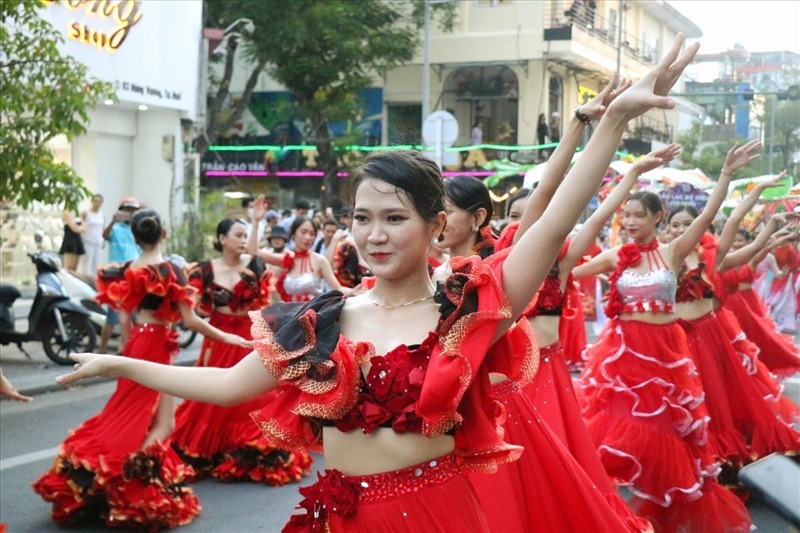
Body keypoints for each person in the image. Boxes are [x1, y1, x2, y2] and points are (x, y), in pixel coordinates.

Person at [56, 34, 702, 531]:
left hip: (438, 511)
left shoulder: (467, 306)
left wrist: (612, 125)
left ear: (434, 224)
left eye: (395, 218)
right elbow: (228, 384)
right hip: (338, 513)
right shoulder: (320, 319)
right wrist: (118, 362)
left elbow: (553, 216)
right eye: (363, 217)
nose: (375, 234)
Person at [34, 209, 251, 529]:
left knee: (127, 412)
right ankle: (130, 482)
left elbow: (124, 317)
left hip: (138, 342)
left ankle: (117, 476)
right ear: (164, 233)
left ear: (135, 238)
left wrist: (123, 354)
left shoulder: (130, 268)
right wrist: (227, 335)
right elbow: (190, 321)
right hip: (157, 346)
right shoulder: (170, 270)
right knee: (163, 422)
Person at [572, 177, 753, 530]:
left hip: (665, 349)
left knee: (666, 428)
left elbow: (708, 216)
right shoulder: (614, 256)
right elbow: (566, 273)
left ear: (659, 216)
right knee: (617, 425)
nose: (631, 222)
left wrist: (728, 175)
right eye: (627, 215)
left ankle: (658, 501)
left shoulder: (672, 252)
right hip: (624, 351)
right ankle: (601, 505)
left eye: (640, 214)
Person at [665, 159, 800, 476]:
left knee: (714, 399)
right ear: (665, 227)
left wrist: (761, 199)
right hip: (674, 340)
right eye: (675, 225)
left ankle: (716, 456)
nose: (681, 230)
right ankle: (683, 456)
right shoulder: (661, 255)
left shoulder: (710, 257)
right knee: (679, 401)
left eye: (687, 225)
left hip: (707, 335)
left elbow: (742, 230)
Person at [170, 218, 313, 484]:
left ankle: (246, 444)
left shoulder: (256, 266)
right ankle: (215, 447)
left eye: (246, 235)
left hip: (250, 339)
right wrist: (222, 334)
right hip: (220, 340)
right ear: (222, 238)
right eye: (238, 234)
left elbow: (269, 305)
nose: (243, 240)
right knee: (213, 393)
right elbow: (189, 314)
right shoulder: (203, 271)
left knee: (256, 394)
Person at [248, 202, 349, 302]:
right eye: (303, 232)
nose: (308, 237)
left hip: (313, 315)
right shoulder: (286, 259)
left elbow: (338, 288)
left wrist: (354, 291)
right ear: (293, 234)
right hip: (288, 314)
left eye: (312, 233)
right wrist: (256, 222)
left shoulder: (320, 260)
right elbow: (254, 251)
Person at [99, 197, 141, 353]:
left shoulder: (137, 229)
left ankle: (126, 348)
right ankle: (102, 349)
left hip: (134, 274)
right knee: (112, 315)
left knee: (134, 315)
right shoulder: (115, 228)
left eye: (133, 211)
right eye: (127, 210)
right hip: (116, 275)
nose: (130, 213)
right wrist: (113, 221)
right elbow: (104, 236)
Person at [81, 193, 105, 280]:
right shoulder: (86, 213)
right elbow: (81, 225)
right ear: (92, 202)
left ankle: (96, 282)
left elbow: (102, 228)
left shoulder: (102, 214)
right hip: (88, 240)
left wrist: (104, 240)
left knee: (97, 264)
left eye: (99, 202)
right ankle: (86, 281)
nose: (97, 203)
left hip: (98, 241)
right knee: (87, 263)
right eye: (95, 201)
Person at [59, 208, 85, 272]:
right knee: (68, 267)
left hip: (77, 241)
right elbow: (75, 229)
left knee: (75, 268)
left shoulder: (78, 212)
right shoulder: (66, 212)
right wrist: (83, 226)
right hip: (70, 242)